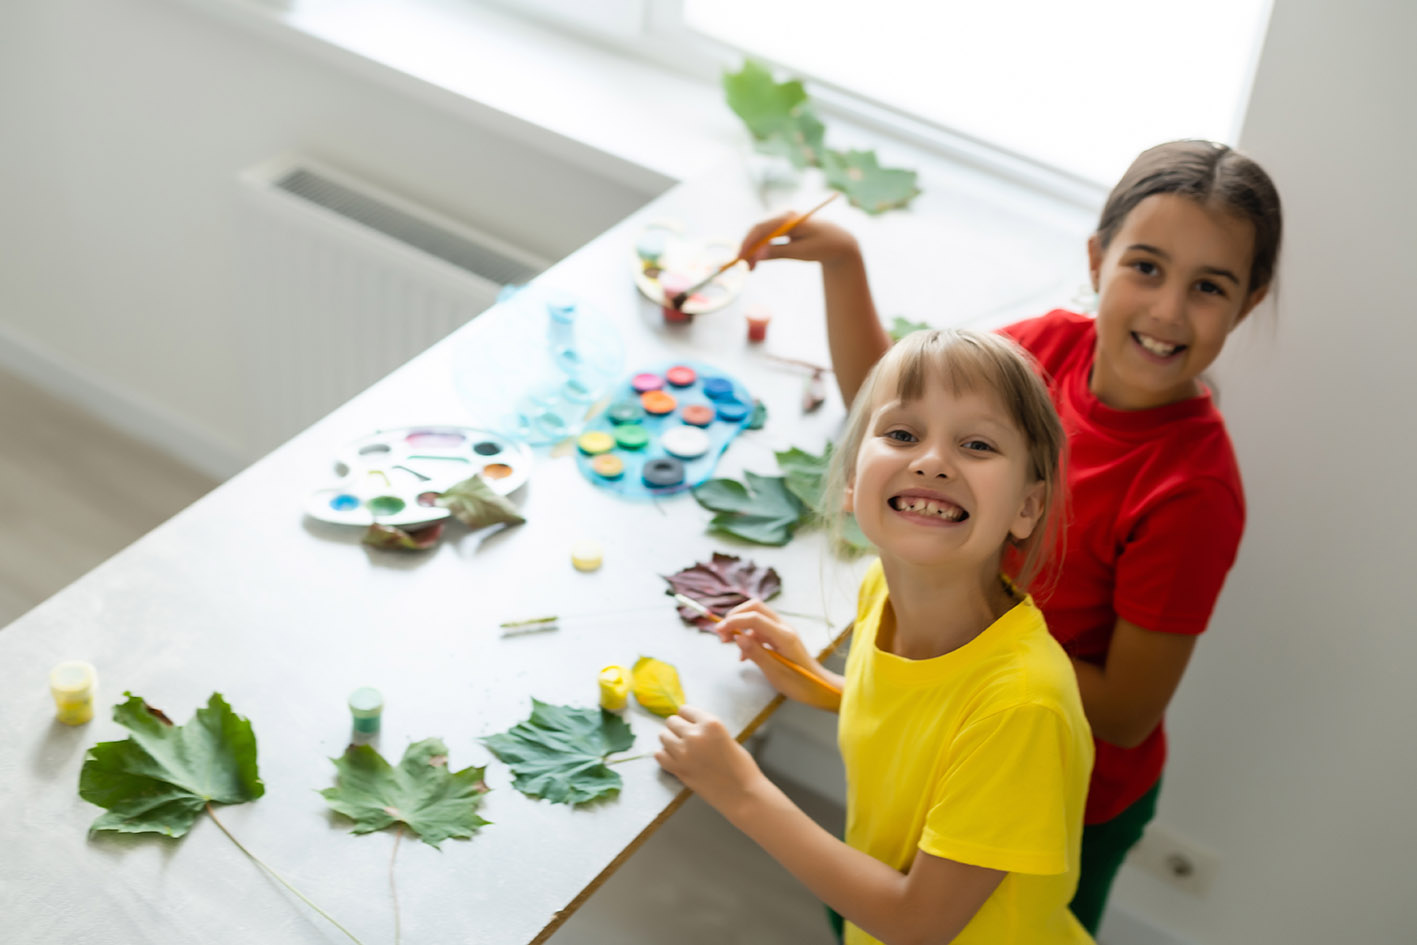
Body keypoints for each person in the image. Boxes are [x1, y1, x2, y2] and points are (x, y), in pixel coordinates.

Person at [731, 139, 1283, 932]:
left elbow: (1124, 710)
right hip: (942, 734)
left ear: (1248, 300)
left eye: (1207, 287)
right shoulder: (1044, 350)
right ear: (1097, 260)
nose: (1166, 310)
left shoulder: (1191, 492)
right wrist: (843, 263)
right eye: (1146, 267)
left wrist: (960, 616)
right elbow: (897, 411)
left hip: (1067, 793)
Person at [655, 329, 1094, 944]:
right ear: (855, 481)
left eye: (976, 444)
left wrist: (742, 791)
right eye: (903, 435)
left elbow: (918, 924)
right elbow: (924, 723)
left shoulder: (1022, 708)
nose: (933, 460)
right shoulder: (880, 590)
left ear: (1028, 506)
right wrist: (818, 682)